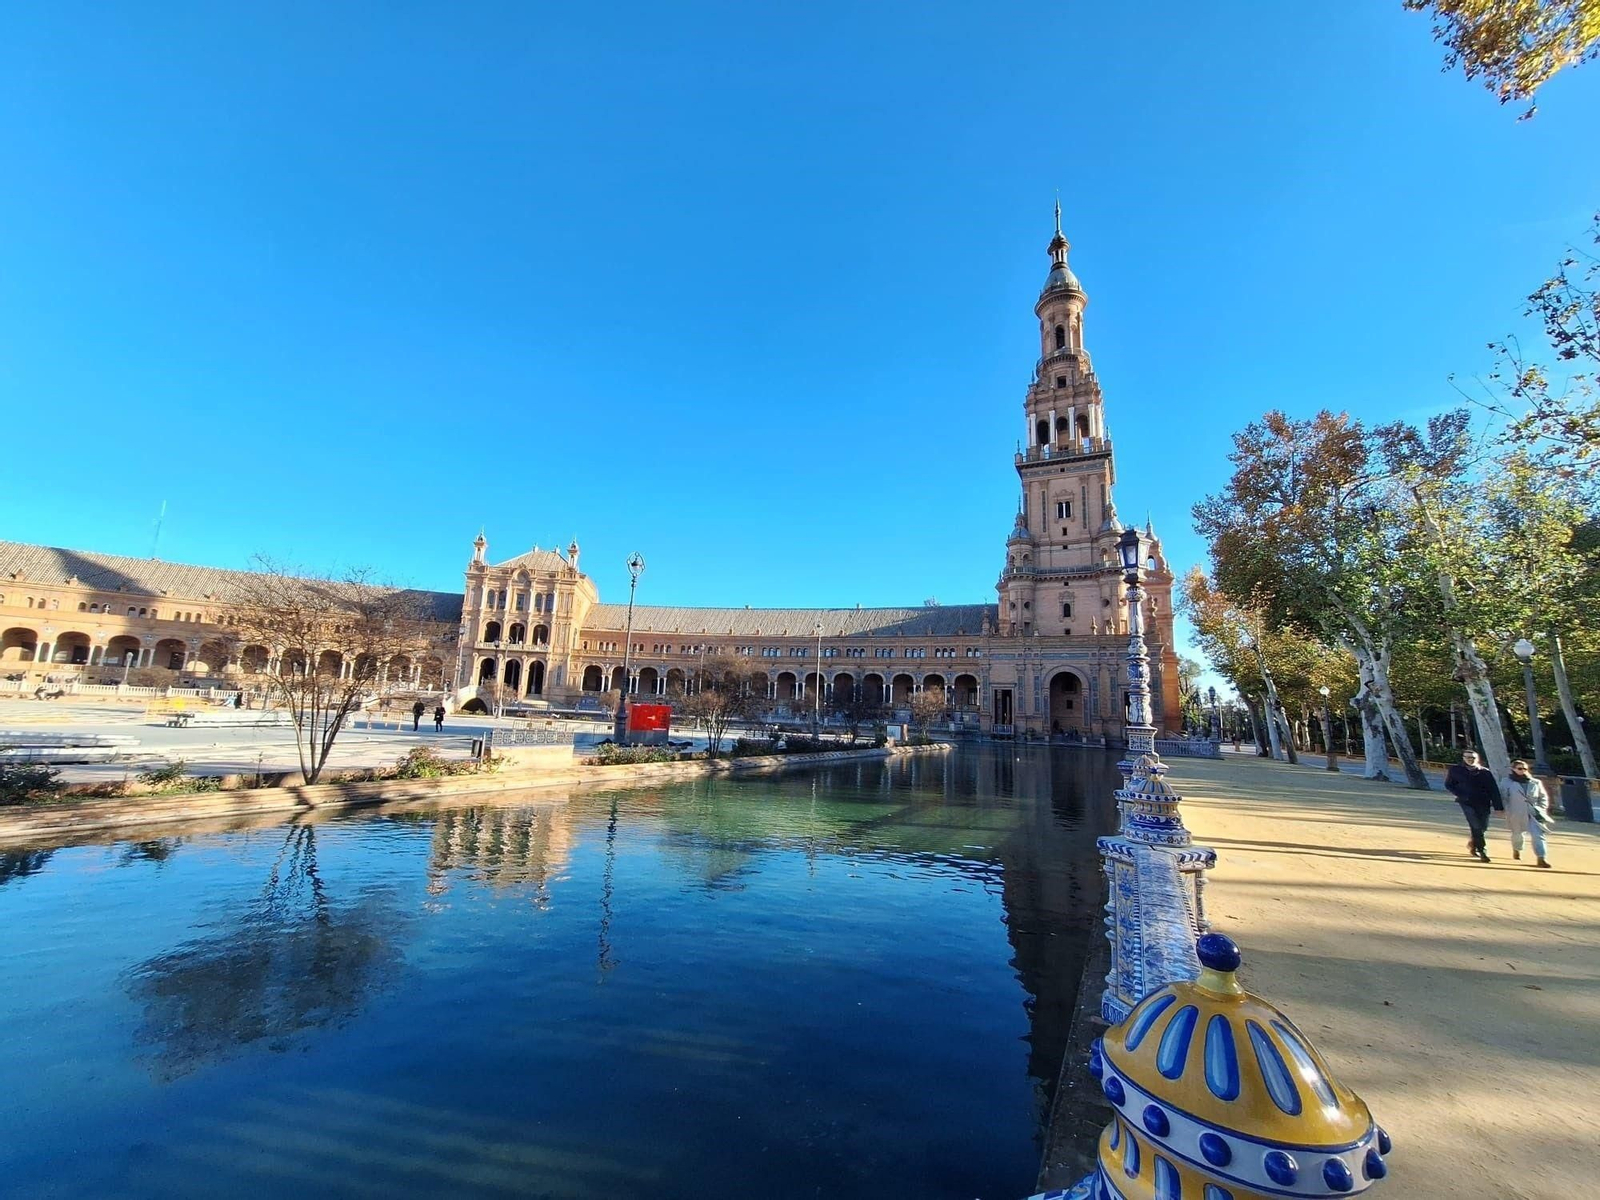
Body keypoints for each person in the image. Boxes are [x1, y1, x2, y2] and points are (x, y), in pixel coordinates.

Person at [1444, 750, 1501, 862]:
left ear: (1477, 758)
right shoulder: (1456, 770)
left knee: (1483, 827)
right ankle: (1482, 851)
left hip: (1483, 802)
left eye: (1473, 757)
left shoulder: (1485, 772)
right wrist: (1461, 794)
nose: (1471, 759)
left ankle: (1473, 843)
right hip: (1466, 802)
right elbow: (1449, 785)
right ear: (1463, 758)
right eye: (1468, 757)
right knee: (1476, 825)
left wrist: (1498, 806)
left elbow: (1493, 790)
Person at [1502, 759, 1553, 868]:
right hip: (1516, 812)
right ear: (1513, 769)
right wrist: (1505, 810)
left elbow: (1543, 797)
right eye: (1520, 768)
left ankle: (1541, 857)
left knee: (1538, 835)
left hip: (1533, 813)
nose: (1523, 771)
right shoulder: (1507, 782)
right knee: (1518, 835)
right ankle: (1517, 849)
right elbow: (1504, 798)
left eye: (1525, 768)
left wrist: (1541, 808)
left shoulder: (1535, 782)